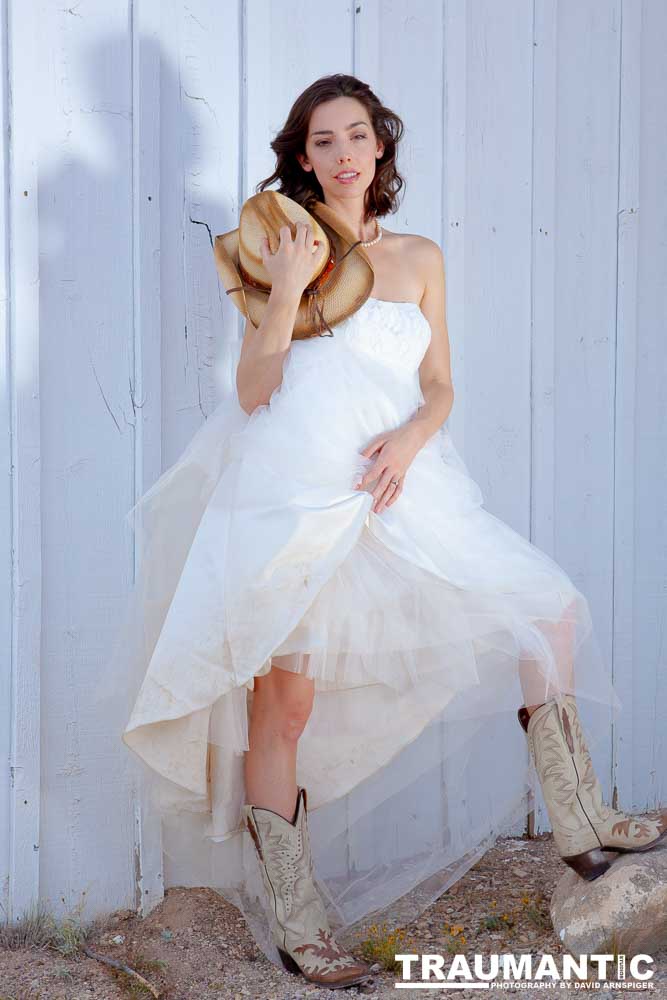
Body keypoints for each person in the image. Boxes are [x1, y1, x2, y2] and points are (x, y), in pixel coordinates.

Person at [110, 74, 667, 990]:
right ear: (300, 156)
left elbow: (440, 381)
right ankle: (297, 926)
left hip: (398, 487)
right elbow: (254, 393)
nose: (341, 155)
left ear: (380, 148)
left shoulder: (417, 258)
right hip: (297, 492)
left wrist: (411, 438)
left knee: (548, 610)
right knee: (283, 705)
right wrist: (288, 285)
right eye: (322, 141)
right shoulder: (275, 250)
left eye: (357, 136)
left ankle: (579, 824)